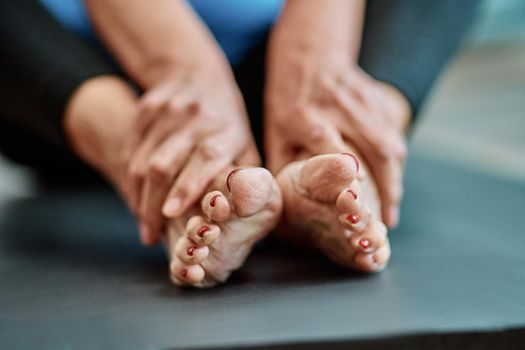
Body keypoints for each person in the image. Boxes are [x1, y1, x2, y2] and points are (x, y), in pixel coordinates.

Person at [0, 0, 479, 287]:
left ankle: (339, 152)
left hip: (274, 71)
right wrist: (183, 69)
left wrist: (315, 60)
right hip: (71, 80)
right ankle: (155, 159)